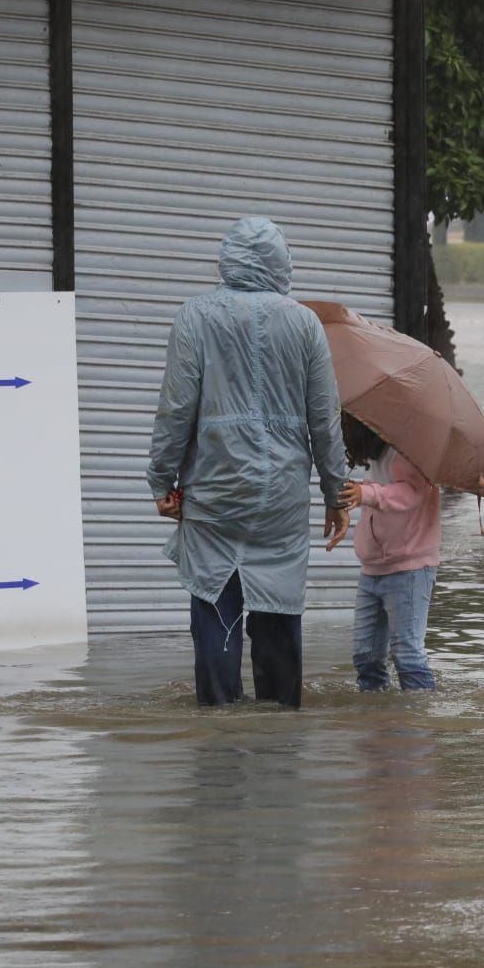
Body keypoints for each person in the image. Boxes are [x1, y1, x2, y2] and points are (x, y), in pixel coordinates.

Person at [146, 217, 351, 709]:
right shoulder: (303, 323)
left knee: (216, 608)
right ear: (282, 264)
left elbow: (176, 409)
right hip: (280, 496)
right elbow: (325, 418)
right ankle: (280, 741)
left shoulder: (194, 317)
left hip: (215, 491)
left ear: (227, 259)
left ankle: (219, 738)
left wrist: (161, 480)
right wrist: (336, 493)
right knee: (278, 613)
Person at [337, 415, 441, 691]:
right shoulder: (376, 456)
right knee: (365, 654)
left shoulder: (409, 452)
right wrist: (358, 494)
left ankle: (417, 719)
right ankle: (376, 716)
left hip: (409, 568)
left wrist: (367, 494)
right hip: (373, 567)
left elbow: (412, 493)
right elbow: (378, 491)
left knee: (407, 653)